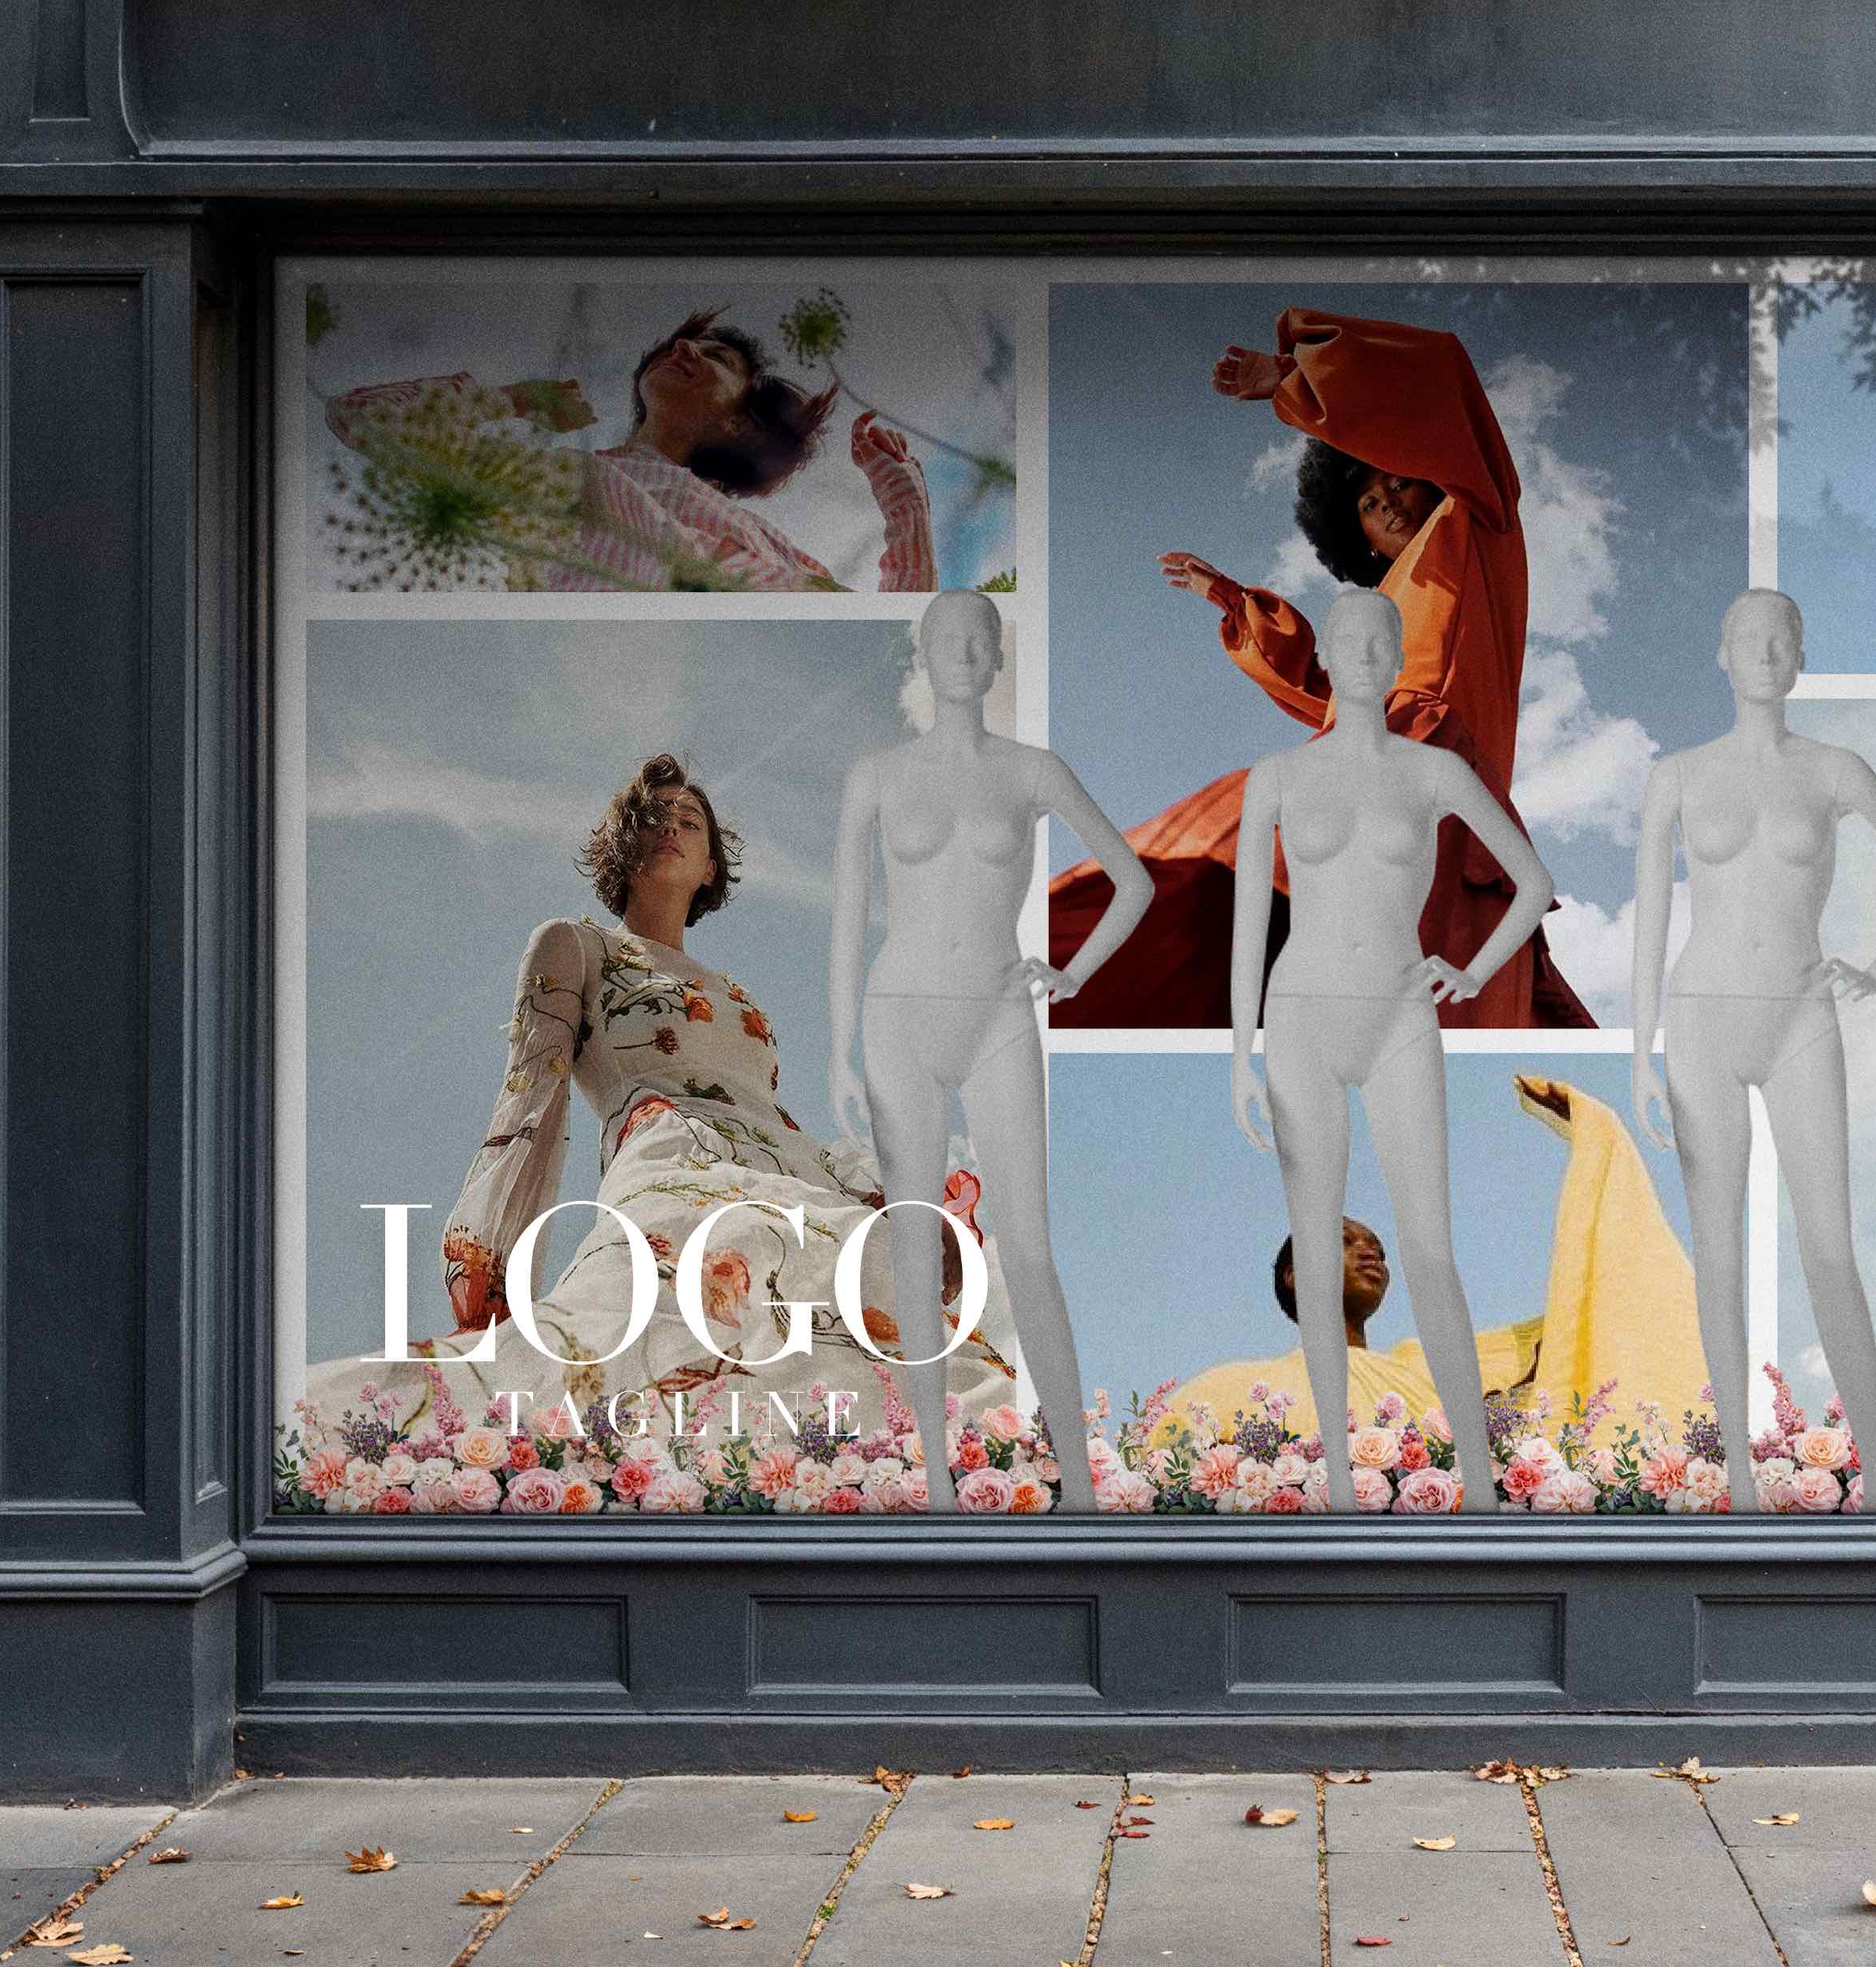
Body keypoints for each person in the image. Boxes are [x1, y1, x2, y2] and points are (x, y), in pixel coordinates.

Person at [319, 755, 1010, 1469]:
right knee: (644, 1314)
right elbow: (528, 1100)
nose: (670, 828)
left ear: (711, 866)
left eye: (690, 821)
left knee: (859, 1330)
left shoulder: (739, 998)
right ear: (624, 843)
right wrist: (491, 1265)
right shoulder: (577, 945)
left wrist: (889, 1202)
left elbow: (771, 1115)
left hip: (788, 1175)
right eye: (653, 818)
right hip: (665, 1157)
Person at [1044, 306, 1591, 1025]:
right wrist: (1234, 603)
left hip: (1438, 784)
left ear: (1432, 472)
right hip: (1362, 766)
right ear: (1357, 535)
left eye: (1398, 479)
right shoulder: (1378, 610)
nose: (1388, 500)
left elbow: (1445, 383)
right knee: (1241, 891)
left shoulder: (1476, 522)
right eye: (1367, 500)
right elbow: (1323, 689)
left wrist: (1295, 384)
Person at [1231, 589, 1556, 1508]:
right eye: (1349, 639)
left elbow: (1533, 882)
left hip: (1399, 1010)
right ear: (1327, 654)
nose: (1368, 652)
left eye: (1385, 639)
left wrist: (1470, 966)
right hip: (1299, 1011)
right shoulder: (1278, 779)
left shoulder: (1434, 775)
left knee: (1430, 1246)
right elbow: (1250, 919)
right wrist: (1239, 1055)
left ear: (1397, 652)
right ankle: (1337, 1474)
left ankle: (1483, 1487)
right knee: (1321, 1236)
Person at [1631, 590, 1876, 1512]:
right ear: (1722, 654)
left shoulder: (1834, 770)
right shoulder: (1678, 776)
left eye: (1785, 640)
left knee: (1829, 1247)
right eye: (1751, 639)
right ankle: (1737, 1471)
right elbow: (1652, 918)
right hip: (1700, 1014)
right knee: (1720, 1250)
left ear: (1800, 658)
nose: (1768, 654)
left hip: (1801, 1012)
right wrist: (1640, 1053)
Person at [830, 591, 1151, 1513]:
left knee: (1032, 1247)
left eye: (982, 639)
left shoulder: (1032, 770)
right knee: (913, 1240)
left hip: (999, 1011)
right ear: (925, 657)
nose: (966, 652)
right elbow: (850, 918)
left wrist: (1076, 973)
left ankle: (1081, 1485)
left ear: (997, 659)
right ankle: (935, 1478)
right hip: (899, 1014)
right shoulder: (878, 775)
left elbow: (1131, 880)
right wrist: (838, 1051)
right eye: (947, 640)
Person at [1161, 1076, 1709, 1453]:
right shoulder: (1224, 1392)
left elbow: (1585, 1323)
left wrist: (1599, 1139)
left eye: (1375, 1243)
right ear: (1294, 1273)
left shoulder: (1425, 1372)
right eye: (1343, 1239)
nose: (1369, 1249)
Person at [322, 309, 936, 592]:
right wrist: (513, 400)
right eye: (679, 344)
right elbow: (362, 418)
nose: (684, 350)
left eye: (717, 358)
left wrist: (905, 505)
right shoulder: (567, 483)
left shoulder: (775, 548)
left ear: (740, 426)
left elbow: (895, 634)